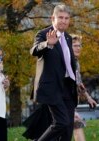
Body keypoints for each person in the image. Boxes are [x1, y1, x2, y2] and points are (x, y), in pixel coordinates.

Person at [30, 4, 78, 141]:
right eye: (60, 17)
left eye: (66, 18)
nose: (63, 21)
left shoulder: (68, 38)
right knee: (61, 122)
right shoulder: (43, 34)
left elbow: (68, 63)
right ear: (53, 18)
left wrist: (77, 81)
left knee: (68, 127)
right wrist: (48, 44)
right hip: (52, 88)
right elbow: (34, 50)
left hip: (68, 87)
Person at [71, 34, 97, 141]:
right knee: (76, 123)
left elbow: (78, 82)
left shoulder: (76, 62)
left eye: (79, 45)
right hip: (61, 101)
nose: (78, 48)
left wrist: (88, 97)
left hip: (69, 102)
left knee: (74, 125)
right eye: (75, 45)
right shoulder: (66, 62)